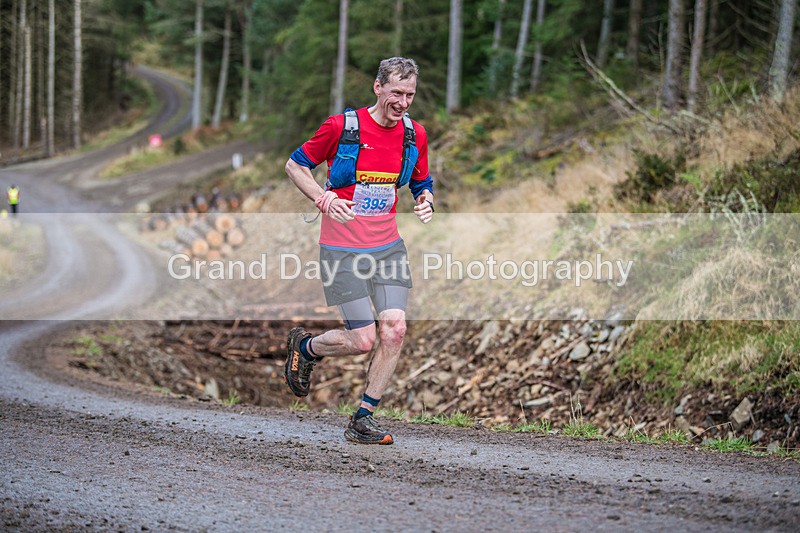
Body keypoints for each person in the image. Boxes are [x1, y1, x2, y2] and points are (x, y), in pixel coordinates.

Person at [283, 57, 434, 445]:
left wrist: (426, 199)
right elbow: (295, 165)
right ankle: (306, 347)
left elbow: (421, 180)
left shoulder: (414, 135)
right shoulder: (341, 127)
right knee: (363, 340)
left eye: (410, 95)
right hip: (341, 249)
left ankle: (363, 418)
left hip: (387, 248)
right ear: (377, 88)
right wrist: (323, 198)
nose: (402, 103)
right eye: (396, 93)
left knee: (395, 329)